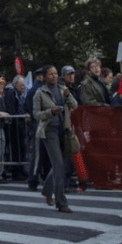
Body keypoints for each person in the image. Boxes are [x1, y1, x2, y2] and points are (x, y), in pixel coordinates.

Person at [33, 66, 78, 213]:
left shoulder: (62, 89)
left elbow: (75, 105)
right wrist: (50, 112)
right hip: (49, 130)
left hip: (63, 130)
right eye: (50, 74)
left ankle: (47, 190)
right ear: (45, 77)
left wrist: (68, 95)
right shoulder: (39, 93)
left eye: (55, 73)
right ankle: (61, 202)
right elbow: (36, 115)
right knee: (58, 164)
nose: (53, 76)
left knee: (60, 164)